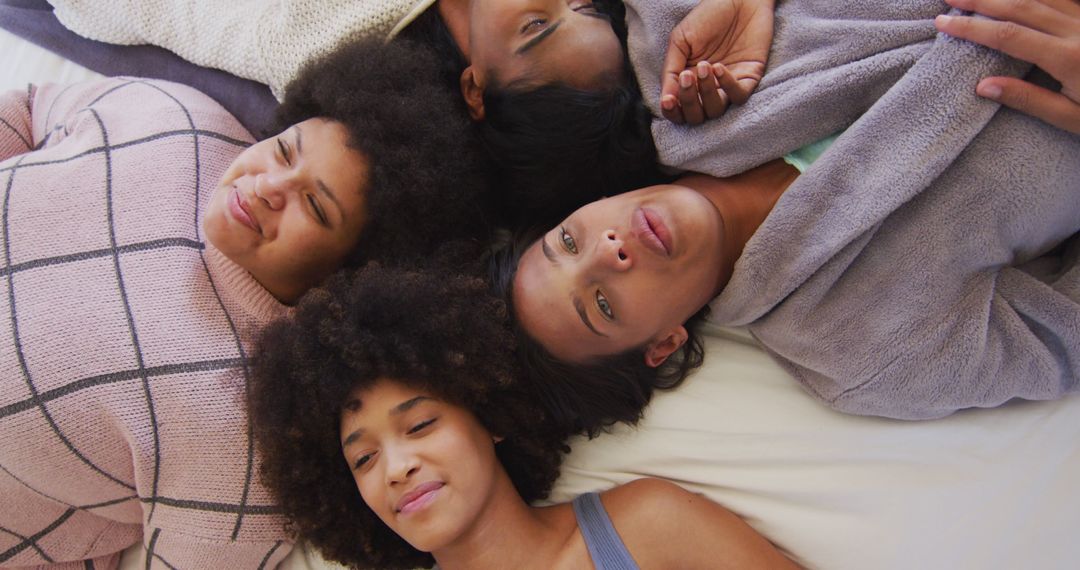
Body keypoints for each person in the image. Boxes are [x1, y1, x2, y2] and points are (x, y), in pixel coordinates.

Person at [0, 39, 488, 568]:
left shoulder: (242, 441)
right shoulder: (176, 116)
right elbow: (28, 112)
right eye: (284, 150)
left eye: (315, 206)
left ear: (346, 274)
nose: (269, 186)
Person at [500, 0, 1080, 433]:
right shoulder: (870, 352)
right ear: (662, 345)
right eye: (602, 304)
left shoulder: (673, 47)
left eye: (569, 242)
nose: (608, 251)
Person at [247, 263, 801, 569]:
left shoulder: (650, 526)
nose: (395, 468)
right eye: (363, 459)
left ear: (488, 416)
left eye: (419, 425)